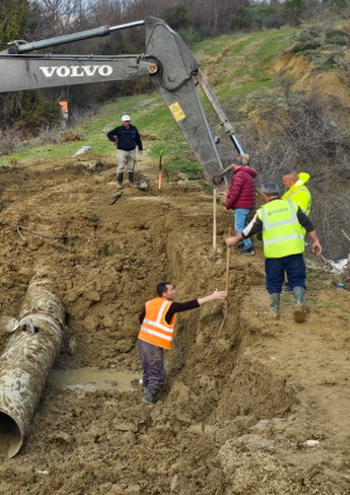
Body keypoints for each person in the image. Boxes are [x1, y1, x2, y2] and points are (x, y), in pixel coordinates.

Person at [225, 182, 322, 323]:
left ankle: (274, 311)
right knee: (297, 278)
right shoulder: (292, 206)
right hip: (294, 250)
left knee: (274, 281)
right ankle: (299, 304)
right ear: (278, 193)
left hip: (274, 254)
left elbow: (249, 230)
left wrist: (235, 240)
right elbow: (308, 223)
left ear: (265, 195)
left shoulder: (263, 212)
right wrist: (316, 241)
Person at [138, 283, 226, 406]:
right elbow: (190, 305)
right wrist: (212, 297)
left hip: (142, 340)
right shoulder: (169, 306)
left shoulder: (150, 303)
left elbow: (141, 319)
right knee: (157, 374)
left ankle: (147, 394)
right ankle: (149, 402)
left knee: (149, 370)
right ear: (164, 293)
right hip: (154, 344)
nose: (174, 291)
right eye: (171, 290)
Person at [223, 156, 258, 256]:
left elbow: (235, 194)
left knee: (239, 227)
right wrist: (228, 194)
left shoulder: (239, 175)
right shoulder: (248, 174)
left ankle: (248, 248)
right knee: (244, 226)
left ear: (234, 164)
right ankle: (242, 243)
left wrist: (227, 206)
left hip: (242, 206)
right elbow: (241, 192)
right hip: (248, 205)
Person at [107, 114, 143, 189]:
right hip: (121, 151)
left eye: (128, 121)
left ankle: (131, 182)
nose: (127, 122)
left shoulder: (134, 128)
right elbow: (109, 134)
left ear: (130, 121)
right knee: (121, 166)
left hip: (132, 150)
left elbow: (138, 139)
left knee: (131, 166)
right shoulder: (118, 129)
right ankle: (120, 183)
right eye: (125, 121)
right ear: (122, 122)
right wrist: (114, 140)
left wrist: (140, 148)